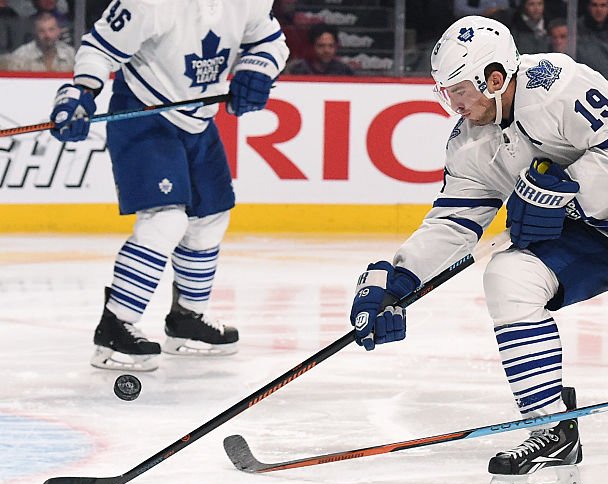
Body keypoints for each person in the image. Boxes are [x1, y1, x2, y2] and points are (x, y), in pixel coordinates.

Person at [349, 15, 608, 484]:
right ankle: (552, 434)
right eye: (444, 91)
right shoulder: (469, 140)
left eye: (457, 90)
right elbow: (455, 219)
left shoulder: (559, 84)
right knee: (510, 277)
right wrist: (397, 277)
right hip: (598, 232)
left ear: (494, 80)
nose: (451, 104)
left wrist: (562, 188)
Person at [48, 0, 288, 371]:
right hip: (145, 116)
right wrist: (81, 92)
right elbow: (98, 48)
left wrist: (258, 68)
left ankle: (188, 321)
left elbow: (270, 40)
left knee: (211, 215)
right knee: (166, 221)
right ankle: (115, 326)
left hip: (199, 122)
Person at [4, 11, 72, 71]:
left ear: (58, 31)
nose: (47, 35)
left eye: (51, 29)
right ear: (35, 33)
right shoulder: (20, 56)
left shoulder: (70, 54)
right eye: (41, 31)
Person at [287, 26, 354, 76]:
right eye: (321, 46)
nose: (326, 50)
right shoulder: (297, 69)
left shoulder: (344, 71)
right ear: (312, 46)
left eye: (331, 46)